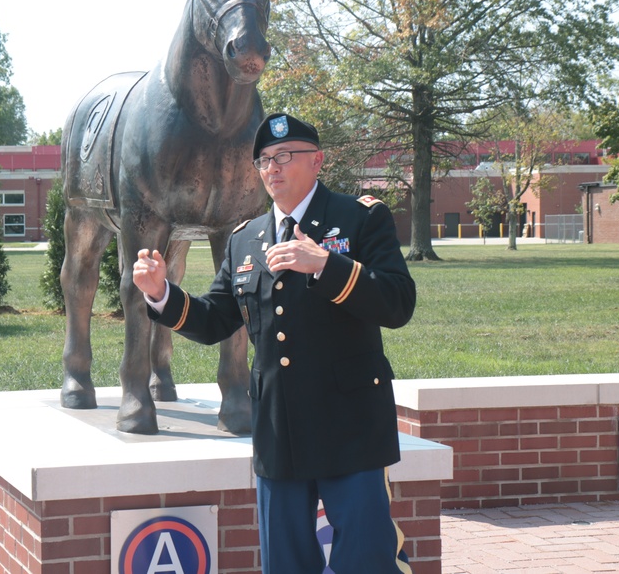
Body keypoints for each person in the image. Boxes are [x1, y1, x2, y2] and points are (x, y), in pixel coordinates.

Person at [133, 113, 416, 573]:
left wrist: (325, 264)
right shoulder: (246, 239)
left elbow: (398, 302)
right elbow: (215, 319)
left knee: (365, 558)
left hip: (351, 425)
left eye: (285, 156)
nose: (273, 168)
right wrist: (161, 294)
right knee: (285, 563)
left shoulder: (360, 218)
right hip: (278, 428)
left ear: (318, 161)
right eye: (264, 160)